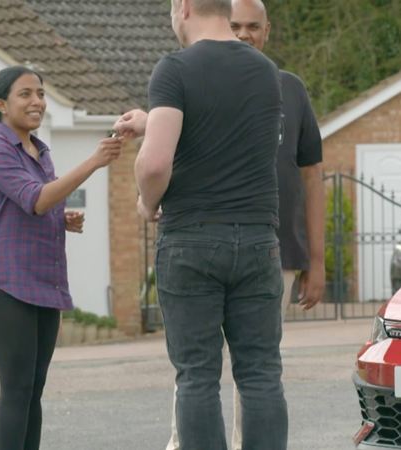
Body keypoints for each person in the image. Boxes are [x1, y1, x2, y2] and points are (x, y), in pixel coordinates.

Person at [113, 0, 287, 448]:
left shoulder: (174, 70)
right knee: (261, 373)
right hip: (256, 237)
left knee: (197, 376)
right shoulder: (266, 71)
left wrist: (146, 202)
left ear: (183, 7)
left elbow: (154, 165)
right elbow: (223, 127)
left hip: (192, 237)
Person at [163, 0, 326, 448]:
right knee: (217, 371)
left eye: (253, 26)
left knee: (241, 371)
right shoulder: (209, 77)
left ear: (268, 29)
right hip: (231, 240)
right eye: (235, 25)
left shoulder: (286, 87)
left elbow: (312, 175)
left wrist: (316, 258)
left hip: (266, 246)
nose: (244, 33)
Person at [0, 65, 122, 450]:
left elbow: (30, 201)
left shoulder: (39, 150)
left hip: (39, 280)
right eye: (25, 94)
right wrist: (93, 161)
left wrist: (59, 216)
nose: (37, 102)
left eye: (40, 93)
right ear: (1, 104)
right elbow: (34, 198)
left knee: (32, 389)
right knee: (16, 387)